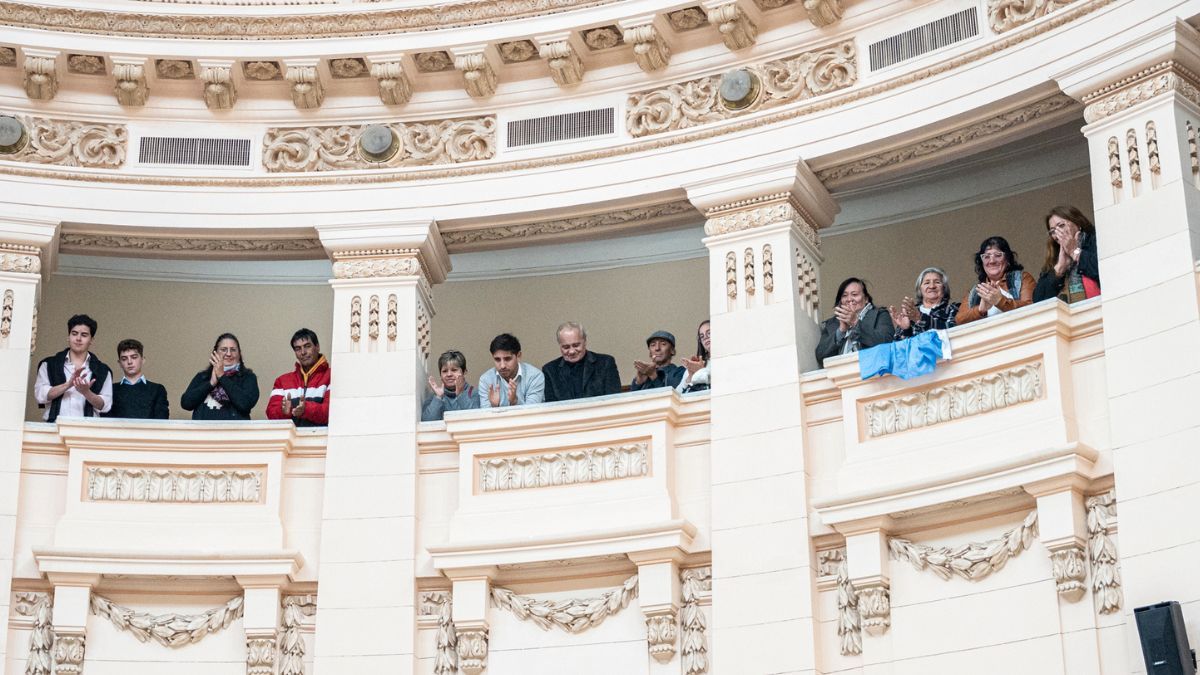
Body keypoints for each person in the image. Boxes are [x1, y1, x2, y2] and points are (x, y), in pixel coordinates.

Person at [34, 314, 113, 422]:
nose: (78, 338)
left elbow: (105, 406)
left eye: (84, 335)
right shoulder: (48, 364)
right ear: (68, 336)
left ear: (91, 340)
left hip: (88, 428)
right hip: (54, 427)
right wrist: (68, 385)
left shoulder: (103, 370)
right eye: (74, 333)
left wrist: (86, 392)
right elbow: (40, 396)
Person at [955, 236, 1036, 325]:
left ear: (1007, 259)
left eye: (998, 255)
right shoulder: (975, 292)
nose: (992, 261)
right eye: (986, 257)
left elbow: (1032, 308)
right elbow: (959, 320)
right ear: (982, 263)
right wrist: (981, 310)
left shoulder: (1022, 278)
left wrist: (1000, 301)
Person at [815, 278, 894, 366]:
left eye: (854, 294)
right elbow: (820, 356)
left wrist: (855, 323)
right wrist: (841, 331)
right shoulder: (831, 323)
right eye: (844, 295)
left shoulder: (879, 314)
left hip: (871, 369)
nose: (849, 299)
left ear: (866, 299)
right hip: (840, 371)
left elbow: (887, 342)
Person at [181, 333, 260, 420]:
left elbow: (245, 404)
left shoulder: (248, 377)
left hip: (235, 428)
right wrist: (210, 384)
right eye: (223, 349)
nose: (228, 354)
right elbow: (186, 404)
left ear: (239, 353)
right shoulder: (203, 377)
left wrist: (222, 377)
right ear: (215, 353)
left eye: (233, 350)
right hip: (204, 428)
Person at [1033, 206, 1101, 304]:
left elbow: (1108, 272)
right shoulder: (1054, 258)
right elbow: (1038, 302)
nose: (1058, 233)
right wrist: (1059, 270)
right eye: (1053, 231)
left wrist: (1075, 252)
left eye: (1061, 225)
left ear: (1078, 223)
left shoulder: (1096, 239)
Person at [542, 322, 621, 402]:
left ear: (585, 342)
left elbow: (614, 400)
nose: (572, 351)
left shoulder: (605, 363)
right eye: (566, 347)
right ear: (560, 346)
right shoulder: (550, 370)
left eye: (576, 345)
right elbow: (552, 405)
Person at [266, 328, 330, 427]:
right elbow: (270, 413)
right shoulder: (282, 381)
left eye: (307, 346)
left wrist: (306, 409)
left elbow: (333, 412)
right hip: (291, 437)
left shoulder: (332, 376)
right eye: (298, 348)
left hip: (321, 437)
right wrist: (283, 412)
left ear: (317, 347)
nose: (303, 352)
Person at [105, 338, 169, 419]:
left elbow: (162, 420)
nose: (129, 362)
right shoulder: (111, 389)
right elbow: (105, 421)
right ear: (120, 363)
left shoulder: (157, 390)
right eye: (124, 359)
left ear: (142, 360)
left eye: (134, 357)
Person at [889, 267, 960, 339]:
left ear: (944, 288)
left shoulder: (953, 309)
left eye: (937, 282)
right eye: (927, 283)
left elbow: (954, 333)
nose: (932, 286)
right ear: (920, 289)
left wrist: (921, 319)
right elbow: (897, 344)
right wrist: (906, 330)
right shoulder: (910, 314)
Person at [478, 333, 545, 408]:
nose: (502, 366)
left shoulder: (535, 376)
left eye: (507, 359)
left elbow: (532, 411)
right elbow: (485, 414)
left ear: (518, 356)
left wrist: (515, 402)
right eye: (497, 359)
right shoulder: (486, 380)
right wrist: (494, 406)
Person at [422, 349, 480, 421]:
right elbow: (427, 422)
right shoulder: (434, 397)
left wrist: (461, 394)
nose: (449, 374)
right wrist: (439, 397)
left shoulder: (474, 393)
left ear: (464, 372)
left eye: (454, 370)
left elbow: (476, 419)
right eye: (445, 371)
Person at [677, 320, 712, 394]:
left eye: (709, 333)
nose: (705, 337)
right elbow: (677, 394)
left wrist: (701, 372)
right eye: (702, 336)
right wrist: (690, 376)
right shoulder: (696, 364)